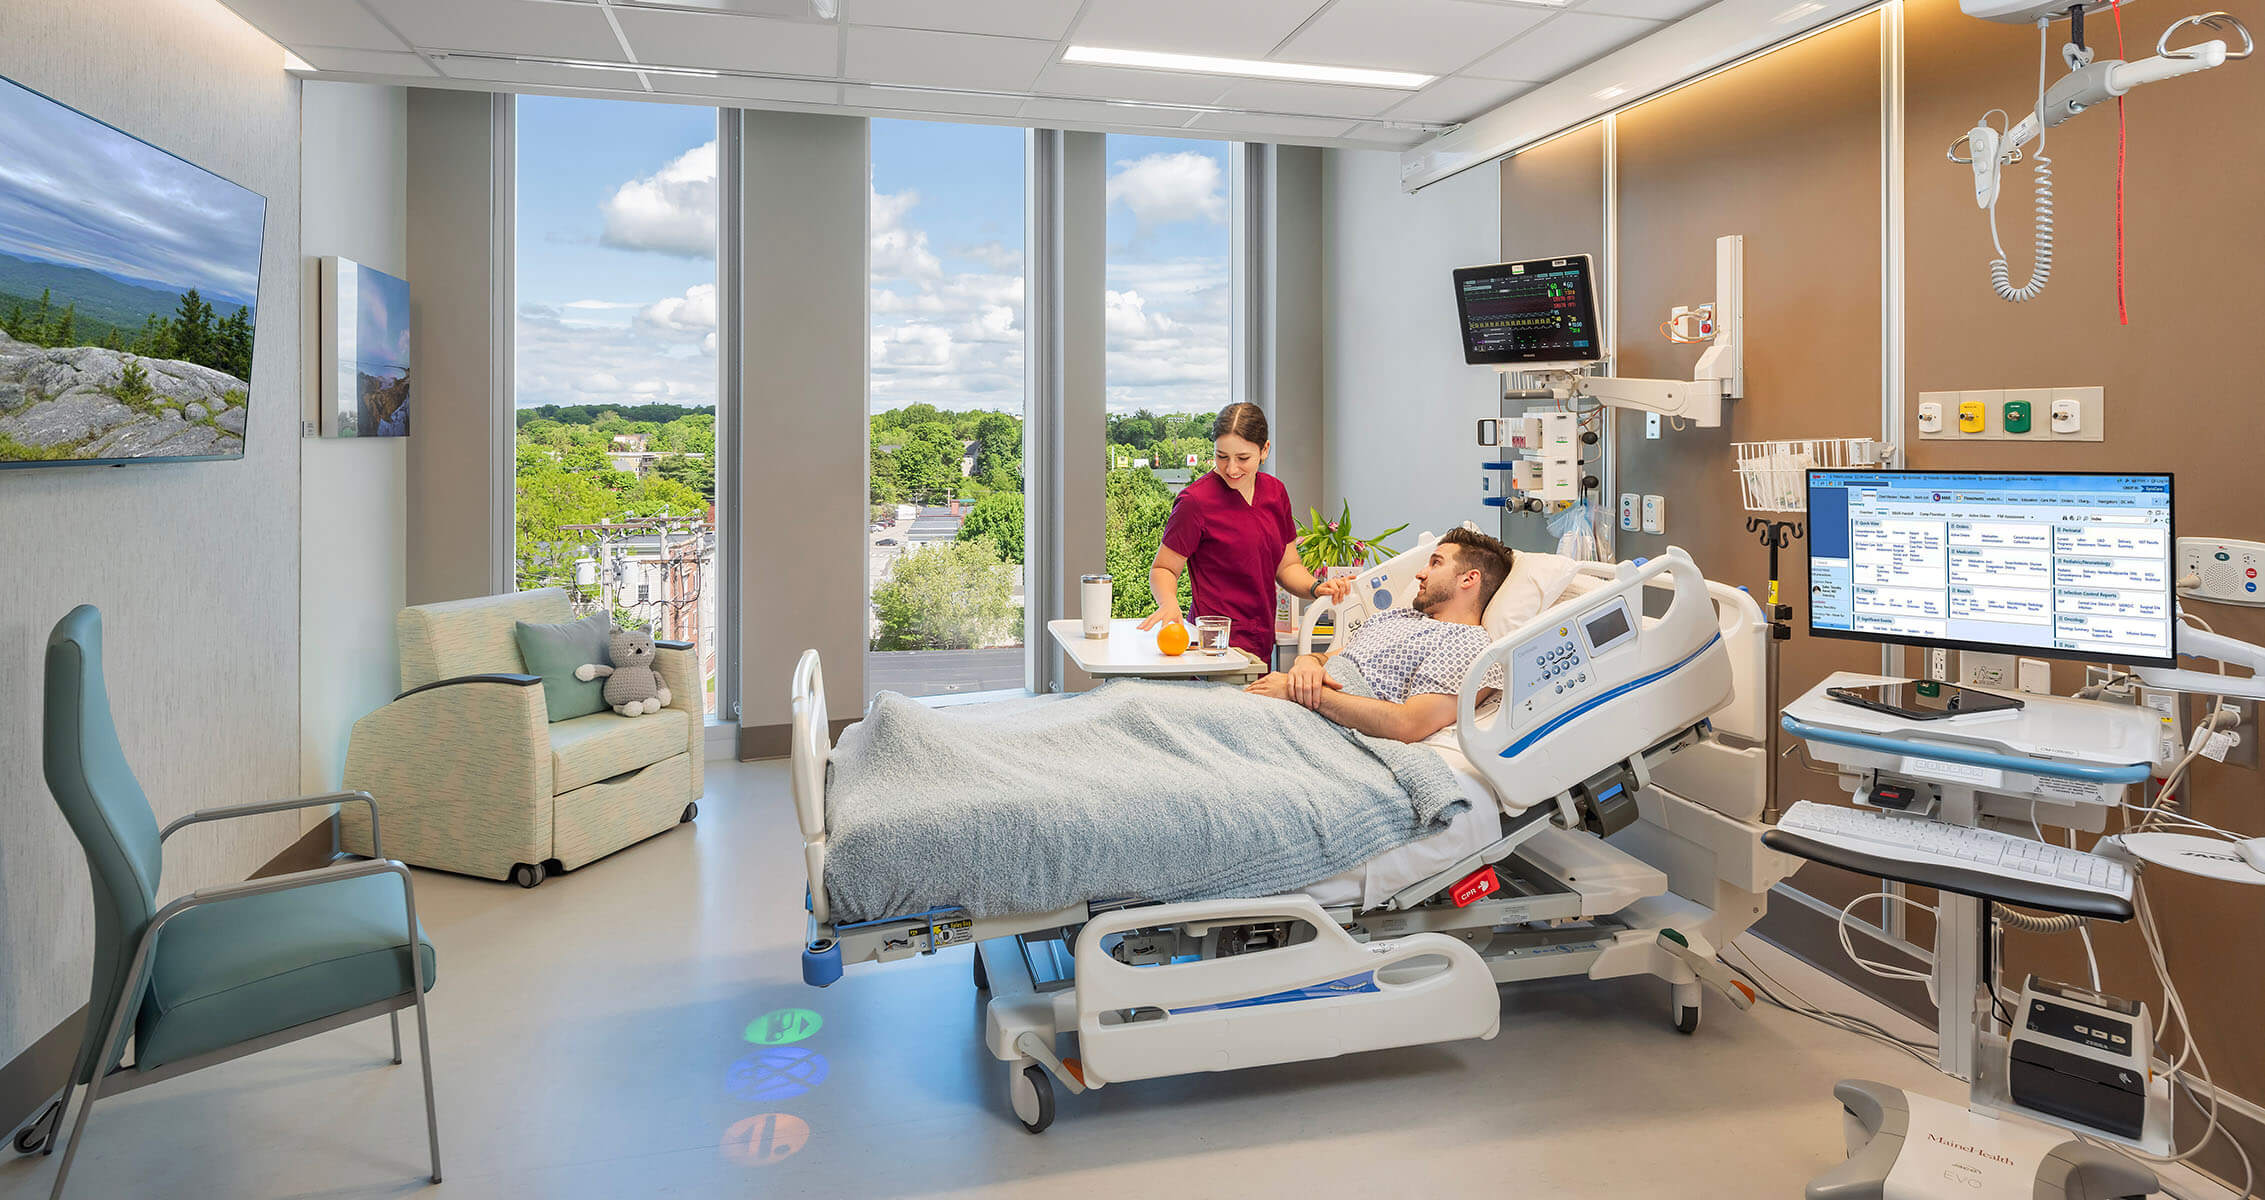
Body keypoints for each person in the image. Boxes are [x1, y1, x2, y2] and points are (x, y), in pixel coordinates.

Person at [1244, 527, 1516, 745]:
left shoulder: (1468, 645)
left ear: (1468, 579)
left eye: (1435, 564)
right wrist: (1306, 664)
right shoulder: (1397, 617)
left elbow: (1407, 724)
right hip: (1295, 709)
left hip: (1321, 726)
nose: (1421, 573)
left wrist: (1301, 694)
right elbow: (1326, 658)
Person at [1136, 402, 1352, 663]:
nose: (1231, 469)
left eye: (1243, 458)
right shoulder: (1195, 502)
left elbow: (1287, 566)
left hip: (1260, 643)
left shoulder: (1275, 493)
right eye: (1222, 456)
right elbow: (1164, 569)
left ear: (1264, 450)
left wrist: (1316, 588)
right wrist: (1168, 602)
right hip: (1213, 648)